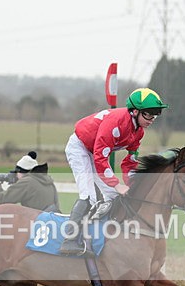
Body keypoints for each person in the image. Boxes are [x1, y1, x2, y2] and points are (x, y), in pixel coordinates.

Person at [59, 87, 169, 255]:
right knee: (89, 196)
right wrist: (117, 184)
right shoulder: (116, 122)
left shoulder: (138, 132)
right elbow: (100, 158)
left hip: (95, 152)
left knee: (112, 197)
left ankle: (105, 238)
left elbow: (129, 162)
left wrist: (132, 185)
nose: (152, 118)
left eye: (155, 114)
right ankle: (69, 240)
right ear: (134, 111)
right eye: (148, 113)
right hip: (80, 148)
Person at [0, 151, 74, 286]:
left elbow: (5, 199)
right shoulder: (46, 179)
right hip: (54, 227)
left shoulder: (27, 182)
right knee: (49, 274)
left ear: (22, 171)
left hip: (38, 231)